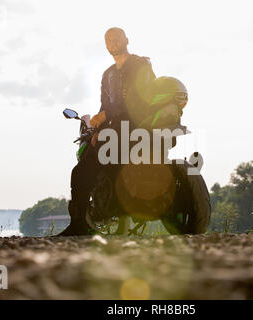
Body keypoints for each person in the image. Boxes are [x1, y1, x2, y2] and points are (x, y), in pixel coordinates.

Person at [57, 27, 156, 236]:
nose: (113, 43)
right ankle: (79, 224)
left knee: (89, 169)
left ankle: (87, 223)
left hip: (136, 125)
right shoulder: (108, 74)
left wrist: (105, 115)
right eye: (108, 40)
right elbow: (104, 105)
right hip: (115, 129)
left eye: (116, 39)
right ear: (106, 44)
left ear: (126, 40)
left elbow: (141, 98)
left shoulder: (140, 65)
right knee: (81, 171)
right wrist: (98, 127)